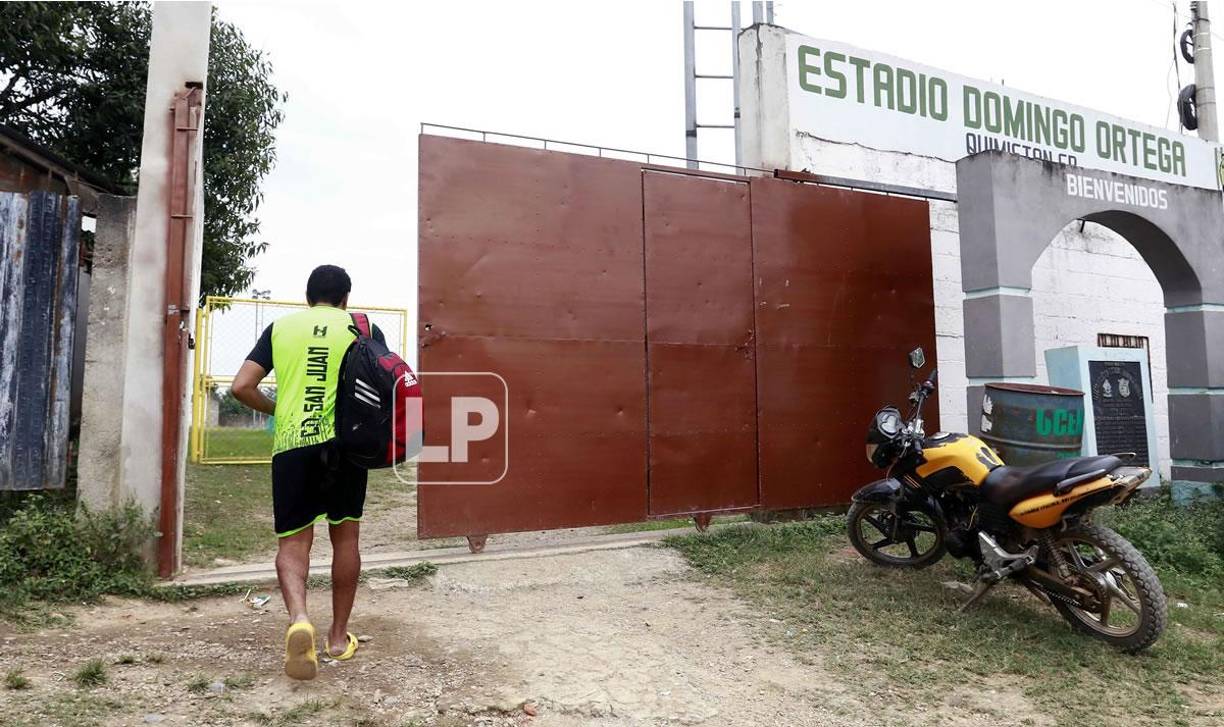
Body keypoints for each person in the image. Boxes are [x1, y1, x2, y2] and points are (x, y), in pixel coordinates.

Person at [231, 264, 386, 680]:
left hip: (293, 446)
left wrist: (279, 409)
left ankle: (299, 618)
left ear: (307, 297)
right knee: (346, 538)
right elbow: (385, 382)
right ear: (345, 299)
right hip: (347, 449)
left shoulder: (282, 328)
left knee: (294, 546)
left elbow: (241, 386)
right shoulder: (362, 326)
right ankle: (337, 638)